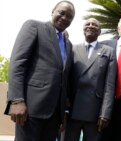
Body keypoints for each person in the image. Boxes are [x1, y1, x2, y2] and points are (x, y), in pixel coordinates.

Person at [4, 1, 75, 141]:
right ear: (53, 11)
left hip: (55, 114)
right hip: (30, 109)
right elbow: (17, 64)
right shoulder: (34, 26)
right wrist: (16, 100)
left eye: (69, 17)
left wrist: (64, 113)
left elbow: (65, 79)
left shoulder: (69, 45)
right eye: (62, 13)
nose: (65, 18)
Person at [63, 18, 117, 141]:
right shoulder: (72, 49)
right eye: (88, 24)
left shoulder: (108, 52)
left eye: (95, 25)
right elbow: (65, 79)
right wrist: (64, 108)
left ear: (100, 31)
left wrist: (105, 113)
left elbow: (110, 86)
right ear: (83, 29)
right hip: (72, 109)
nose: (91, 26)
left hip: (95, 112)